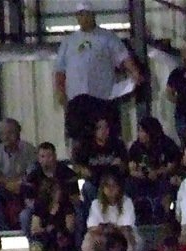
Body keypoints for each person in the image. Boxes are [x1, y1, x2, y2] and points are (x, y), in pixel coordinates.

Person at [54, 1, 143, 145]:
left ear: (93, 16)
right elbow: (60, 70)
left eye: (87, 14)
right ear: (77, 17)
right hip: (77, 100)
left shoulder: (108, 37)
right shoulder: (68, 41)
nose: (84, 18)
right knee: (79, 139)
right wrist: (60, 91)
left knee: (107, 138)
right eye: (80, 15)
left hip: (102, 97)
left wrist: (134, 72)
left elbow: (123, 57)